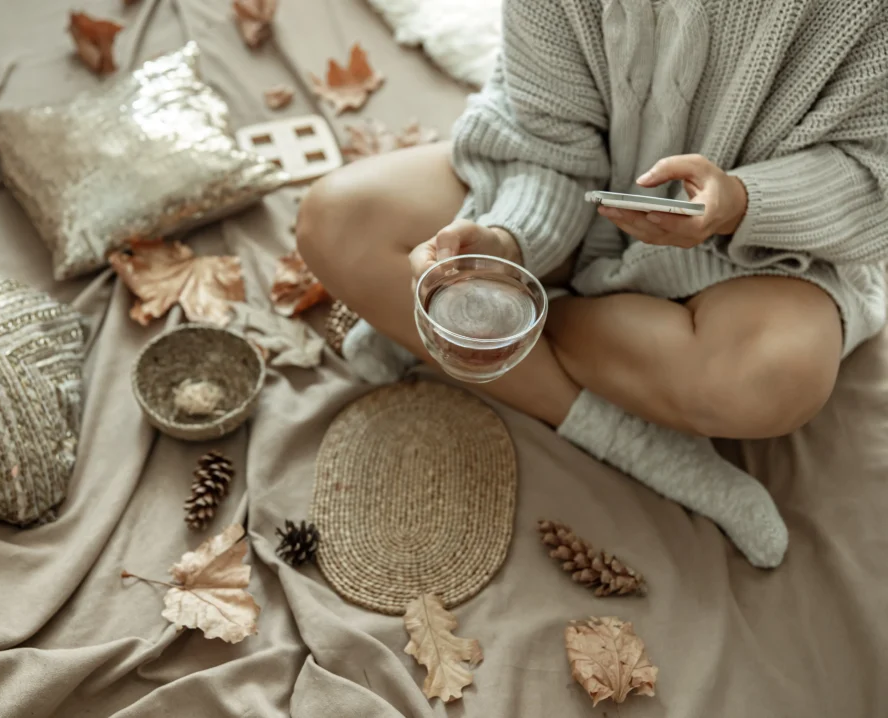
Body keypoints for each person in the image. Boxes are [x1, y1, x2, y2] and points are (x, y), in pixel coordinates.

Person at [296, 0, 888, 568]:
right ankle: (627, 437)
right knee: (337, 221)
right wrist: (507, 242)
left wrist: (740, 203)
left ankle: (480, 325)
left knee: (776, 376)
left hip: (763, 250)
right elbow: (546, 134)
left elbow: (872, 172)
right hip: (572, 196)